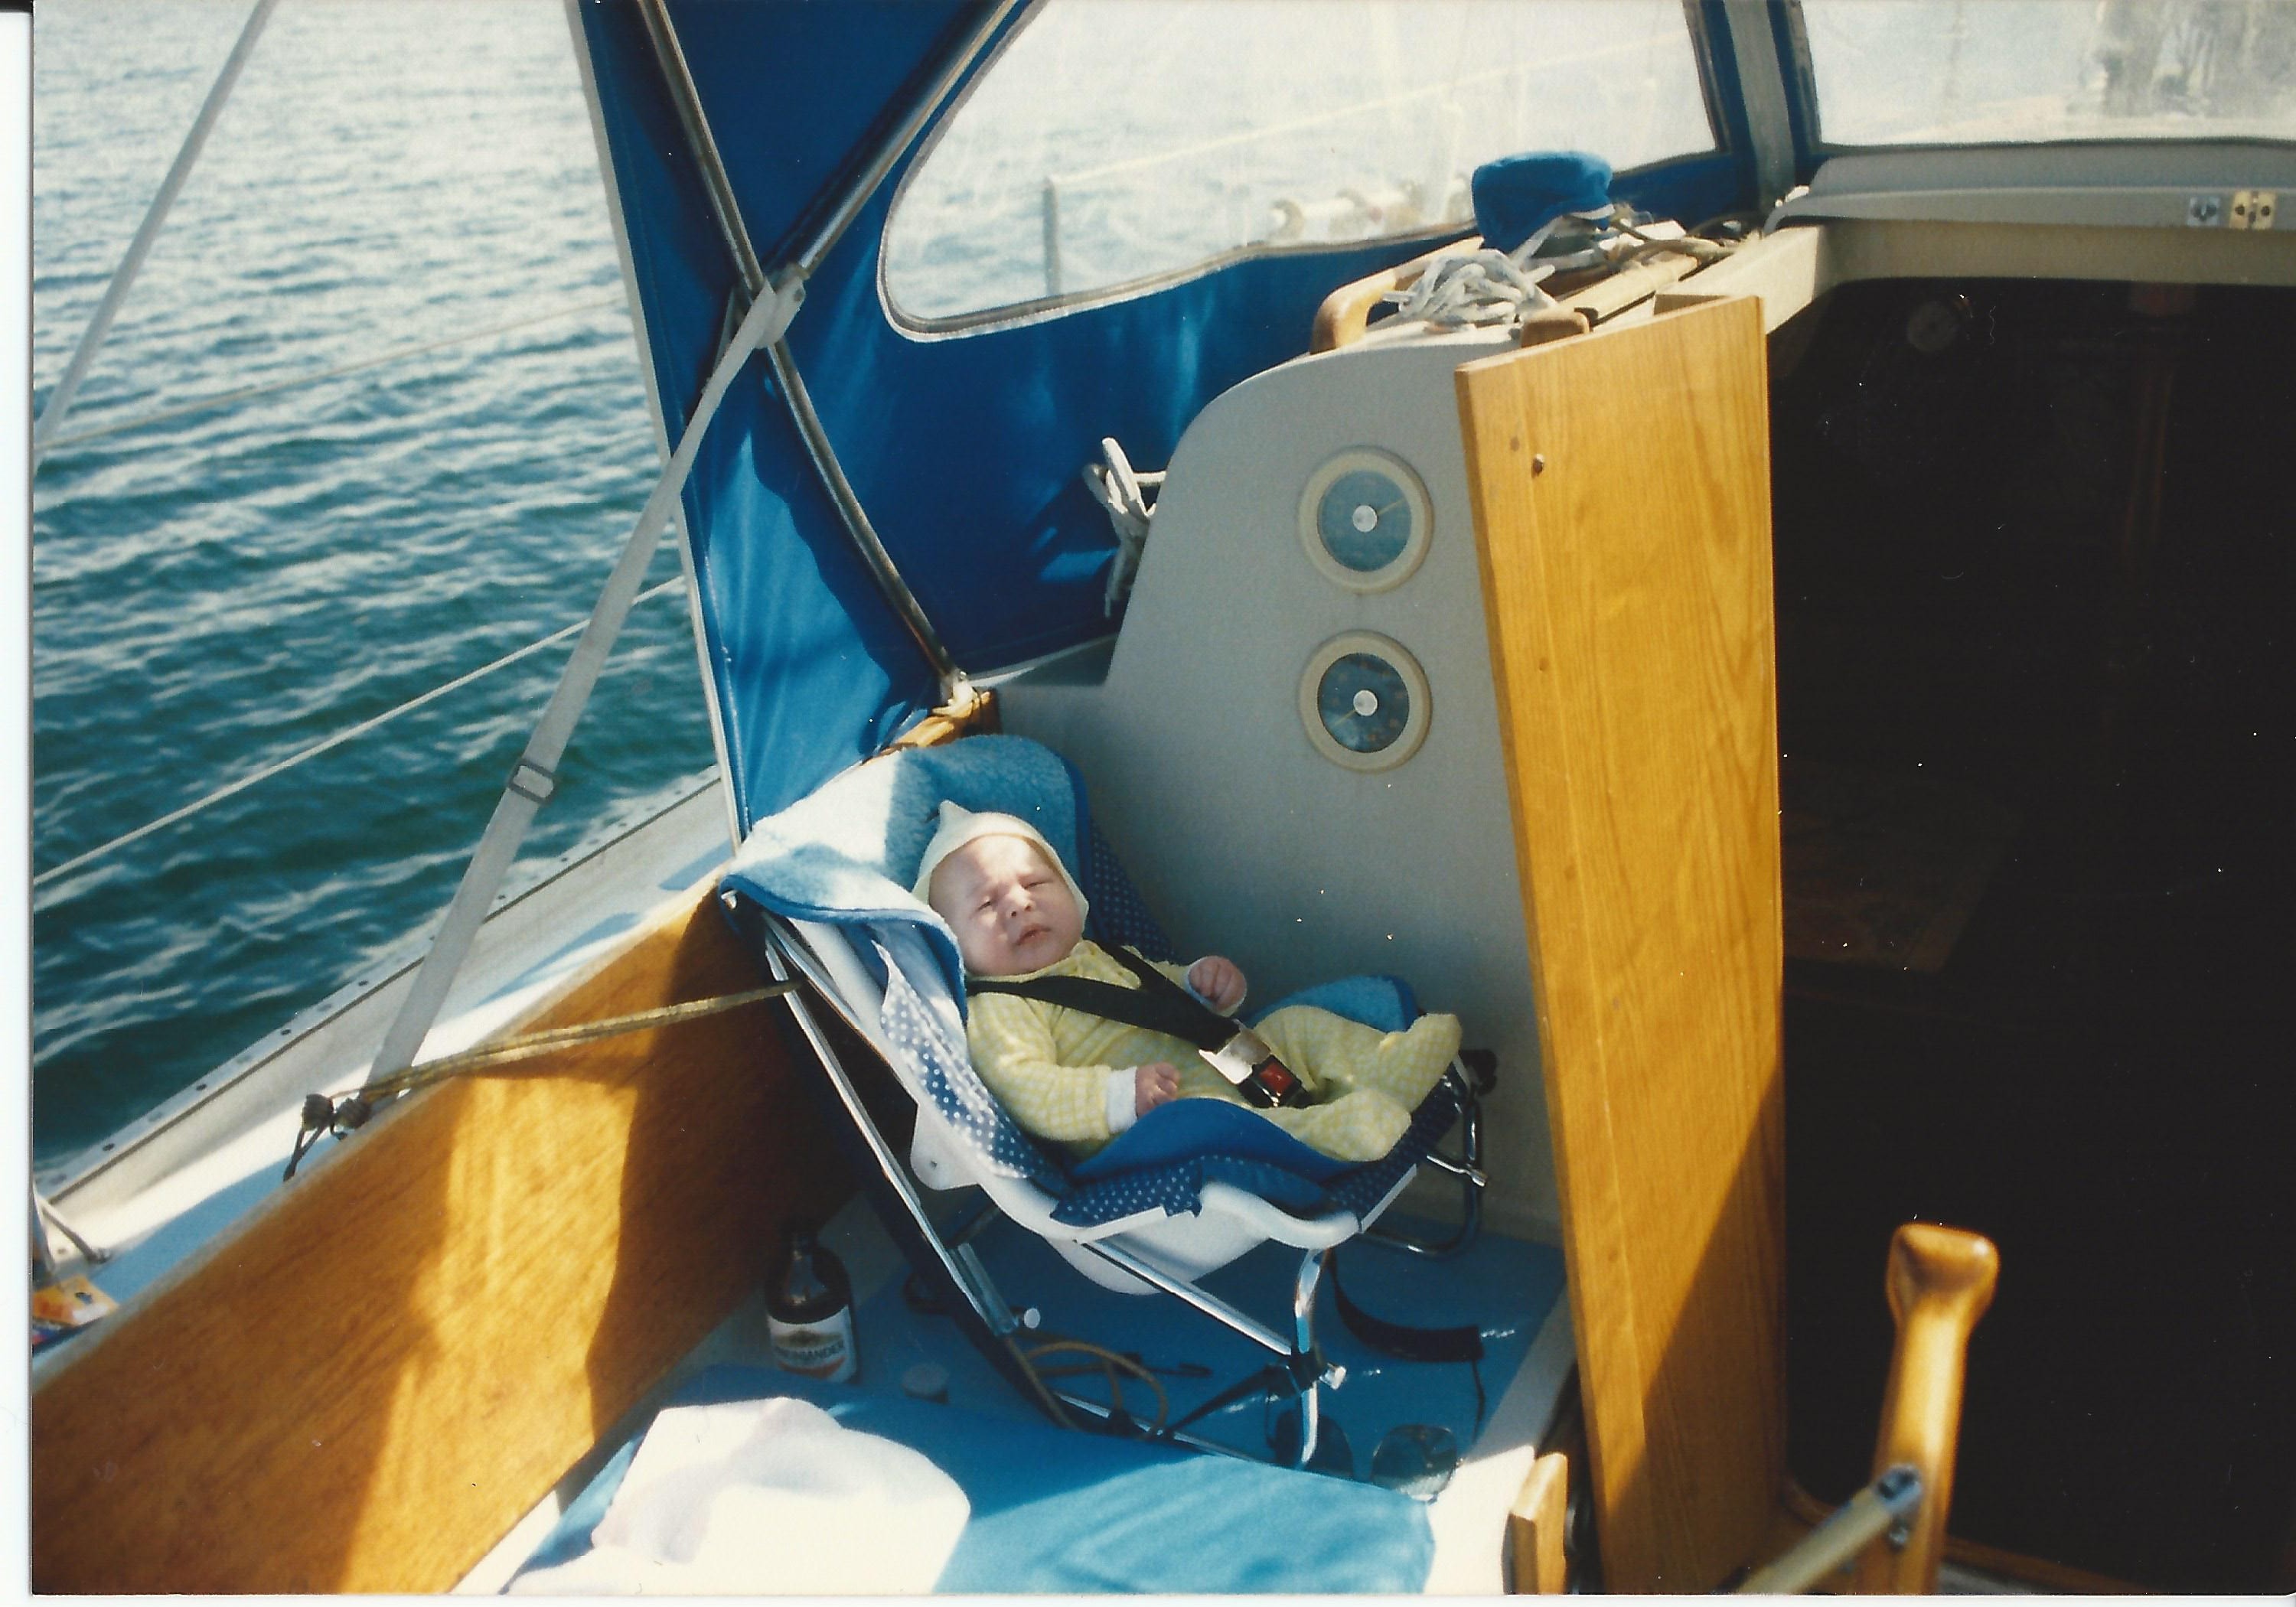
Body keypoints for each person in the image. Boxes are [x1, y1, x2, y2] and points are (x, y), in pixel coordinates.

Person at [913, 803, 1459, 1162]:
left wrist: (1203, 985)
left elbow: (1164, 996)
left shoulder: (1101, 955)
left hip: (1218, 1059)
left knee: (1296, 1025)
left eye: (1035, 883)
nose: (1018, 903)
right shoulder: (1003, 1006)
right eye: (986, 905)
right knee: (1216, 1121)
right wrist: (1116, 1096)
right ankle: (1332, 1134)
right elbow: (1024, 1087)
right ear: (951, 941)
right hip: (1147, 1123)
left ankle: (1386, 1068)